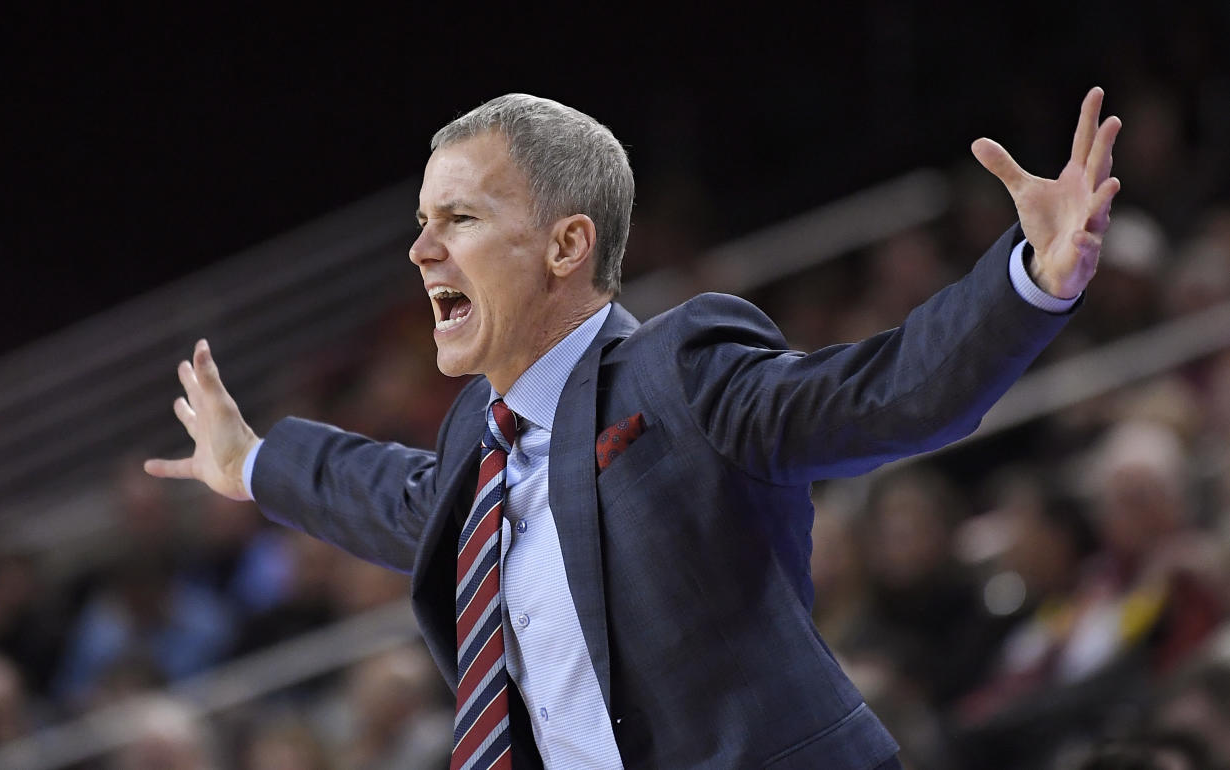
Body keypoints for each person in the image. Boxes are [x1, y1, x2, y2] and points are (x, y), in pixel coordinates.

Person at [145, 88, 1122, 769]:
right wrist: (253, 461)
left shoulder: (679, 368)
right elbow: (388, 494)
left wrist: (1026, 281)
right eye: (419, 218)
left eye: (459, 217)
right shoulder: (469, 450)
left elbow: (884, 392)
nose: (420, 247)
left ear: (567, 244)